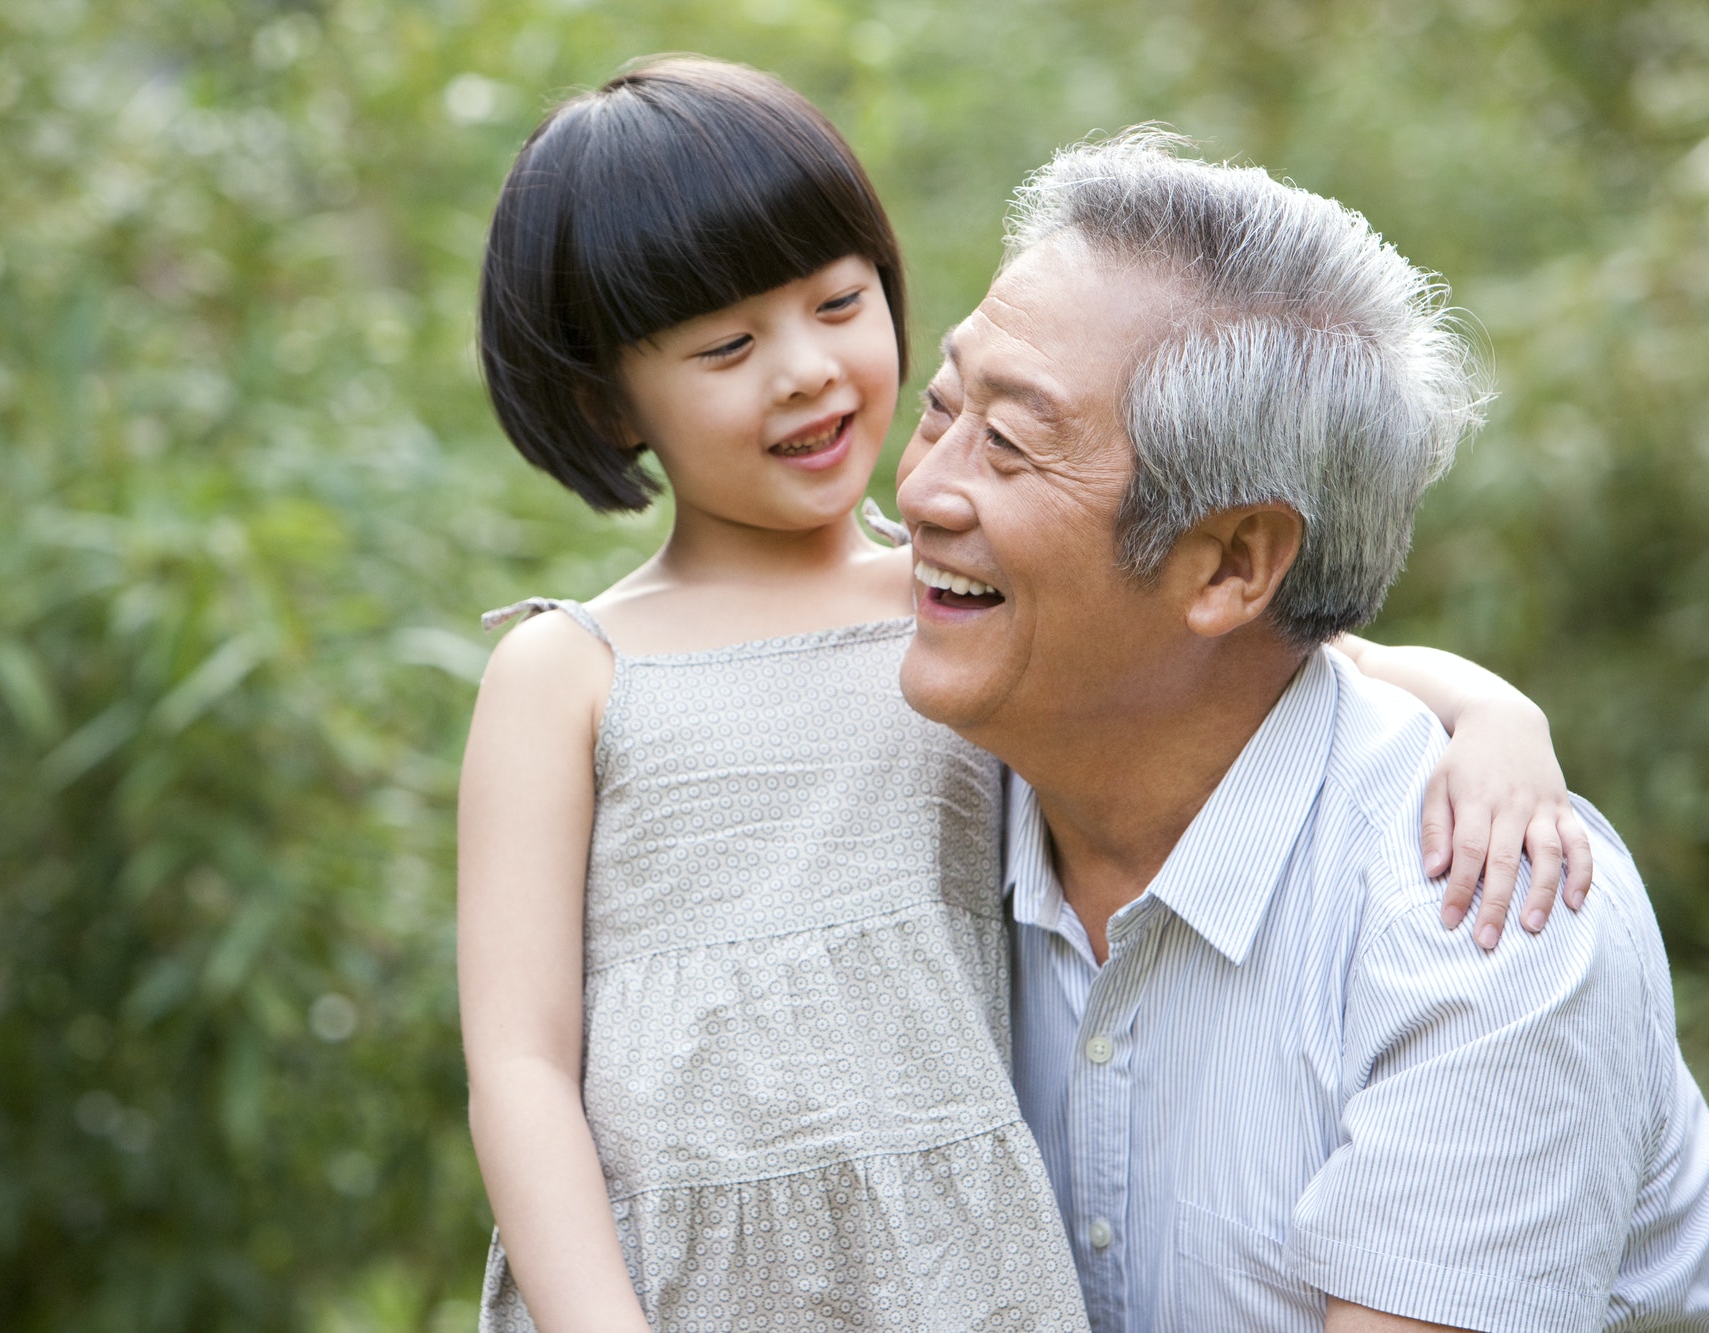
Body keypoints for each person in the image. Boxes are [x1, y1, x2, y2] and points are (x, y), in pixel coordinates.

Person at [460, 61, 1587, 1331]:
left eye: (839, 304)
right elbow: (517, 1062)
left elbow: (1309, 651)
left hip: (949, 1254)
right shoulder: (573, 669)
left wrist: (1496, 716)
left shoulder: (952, 613)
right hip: (677, 1261)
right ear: (605, 400)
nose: (805, 372)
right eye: (726, 346)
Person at [895, 128, 1709, 1331]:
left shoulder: (1488, 924)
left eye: (1008, 444)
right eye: (941, 406)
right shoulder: (903, 777)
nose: (918, 492)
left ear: (1229, 566)